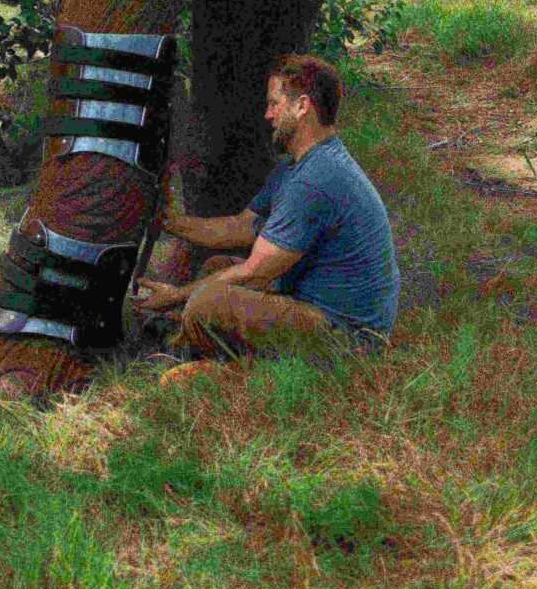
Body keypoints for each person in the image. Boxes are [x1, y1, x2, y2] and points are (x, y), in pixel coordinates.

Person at [134, 53, 399, 361]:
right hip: (317, 306)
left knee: (207, 303)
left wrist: (176, 296)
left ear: (302, 107)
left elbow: (253, 274)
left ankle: (182, 352)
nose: (268, 115)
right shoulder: (295, 169)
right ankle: (192, 342)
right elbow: (242, 226)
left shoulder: (315, 180)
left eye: (275, 103)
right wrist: (170, 222)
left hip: (348, 339)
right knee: (216, 269)